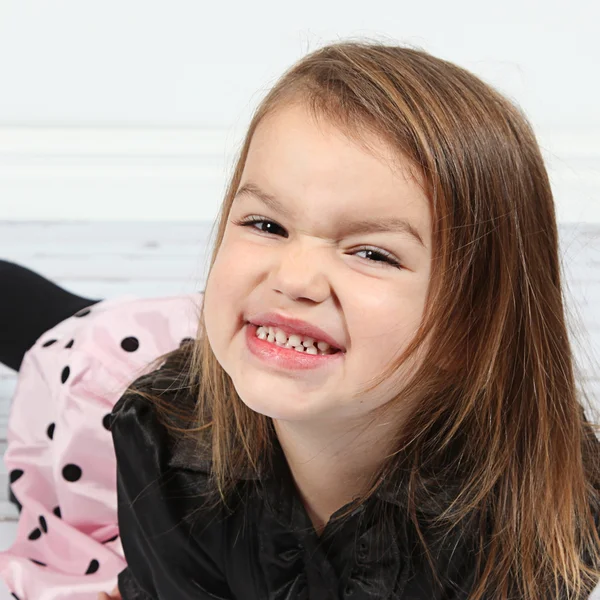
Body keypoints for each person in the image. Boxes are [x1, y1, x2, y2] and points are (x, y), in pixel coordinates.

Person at [1, 38, 600, 599]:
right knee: (62, 329)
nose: (294, 277)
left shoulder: (540, 515)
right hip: (107, 369)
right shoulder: (161, 443)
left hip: (286, 354)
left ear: (473, 324)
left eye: (372, 253)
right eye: (266, 225)